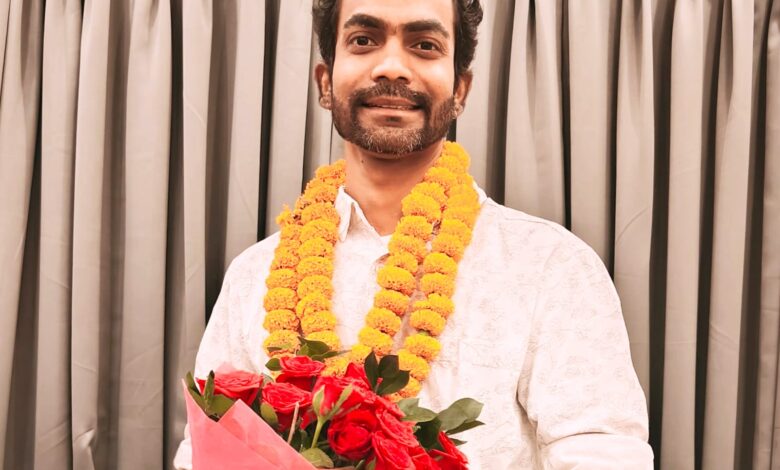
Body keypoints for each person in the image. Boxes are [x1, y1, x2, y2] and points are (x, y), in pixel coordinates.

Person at [174, 0, 654, 468]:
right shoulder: (255, 274)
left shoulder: (550, 266)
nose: (391, 67)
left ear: (460, 89)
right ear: (325, 82)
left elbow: (603, 455)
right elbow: (204, 451)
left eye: (424, 45)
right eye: (364, 40)